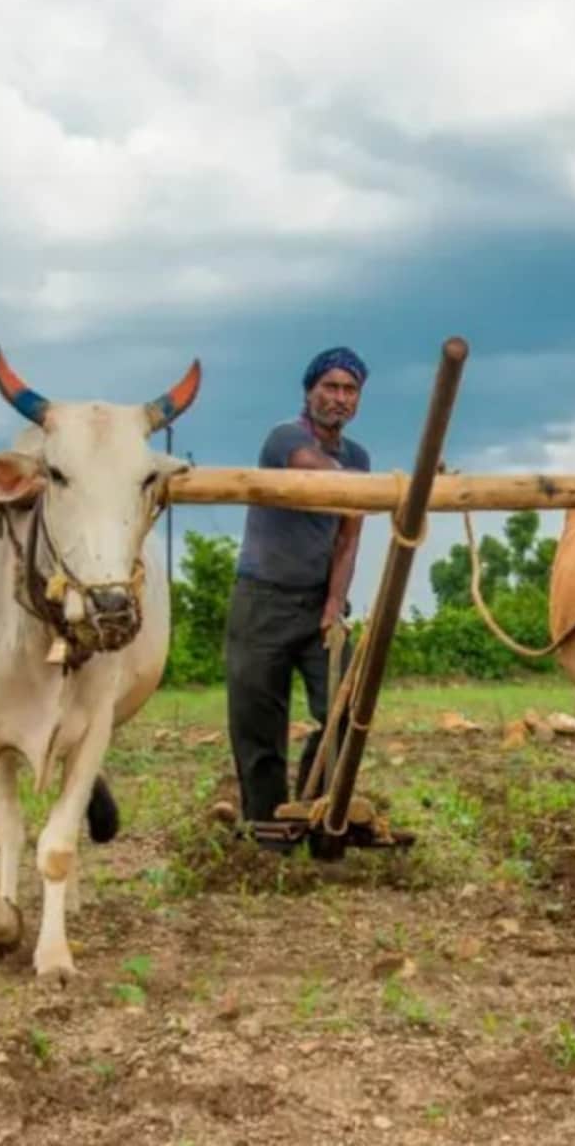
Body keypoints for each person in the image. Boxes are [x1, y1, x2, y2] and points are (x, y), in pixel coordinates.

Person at [221, 346, 372, 828]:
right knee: (258, 723)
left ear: (358, 400)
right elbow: (317, 476)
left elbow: (348, 537)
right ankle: (267, 829)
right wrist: (376, 490)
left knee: (346, 706)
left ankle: (316, 810)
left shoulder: (358, 457)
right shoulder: (285, 438)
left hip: (318, 603)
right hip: (261, 600)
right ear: (309, 392)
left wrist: (334, 603)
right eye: (330, 387)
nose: (339, 398)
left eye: (350, 390)